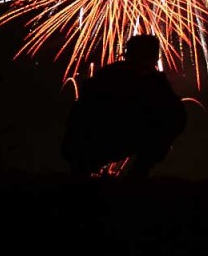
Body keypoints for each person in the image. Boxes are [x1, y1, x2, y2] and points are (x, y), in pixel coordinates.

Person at [61, 33, 187, 179]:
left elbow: (78, 113)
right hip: (99, 139)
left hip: (87, 142)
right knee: (173, 118)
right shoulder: (151, 82)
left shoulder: (107, 75)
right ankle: (135, 175)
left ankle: (83, 173)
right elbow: (176, 116)